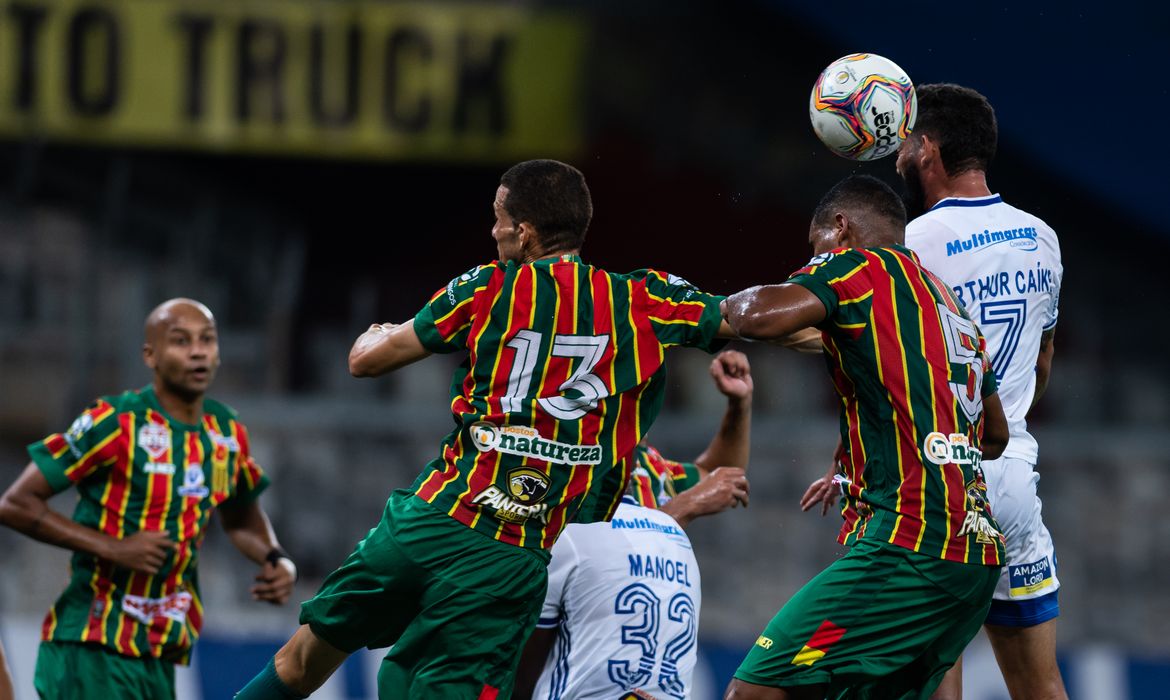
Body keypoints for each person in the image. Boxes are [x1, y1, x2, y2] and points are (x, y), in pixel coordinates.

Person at [235, 159, 733, 699]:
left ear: (524, 232)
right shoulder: (641, 300)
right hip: (508, 553)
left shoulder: (487, 289)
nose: (493, 230)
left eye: (498, 218)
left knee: (305, 654)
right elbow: (746, 317)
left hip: (426, 521)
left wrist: (373, 333)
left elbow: (366, 362)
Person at [721, 174, 1010, 699]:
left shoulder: (860, 267)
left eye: (815, 247)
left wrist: (706, 307)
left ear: (840, 229)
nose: (814, 258)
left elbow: (756, 317)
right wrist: (868, 456)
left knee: (759, 687)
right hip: (972, 561)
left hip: (905, 552)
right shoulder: (947, 304)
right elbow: (993, 434)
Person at [0, 298, 296, 700]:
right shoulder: (114, 422)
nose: (197, 351)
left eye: (206, 340)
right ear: (150, 356)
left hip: (160, 650)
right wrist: (115, 548)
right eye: (180, 341)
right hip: (95, 641)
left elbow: (242, 517)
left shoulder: (225, 433)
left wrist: (274, 557)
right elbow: (16, 504)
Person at [896, 83, 1066, 700]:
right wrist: (1007, 414)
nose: (897, 154)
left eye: (905, 140)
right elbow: (1042, 361)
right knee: (1039, 685)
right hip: (1014, 472)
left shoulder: (912, 246)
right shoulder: (1041, 236)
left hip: (944, 479)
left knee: (934, 676)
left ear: (927, 147)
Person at [513, 349, 754, 699]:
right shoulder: (562, 454)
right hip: (563, 646)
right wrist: (681, 509)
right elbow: (584, 551)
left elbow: (718, 477)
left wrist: (739, 406)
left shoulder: (643, 461)